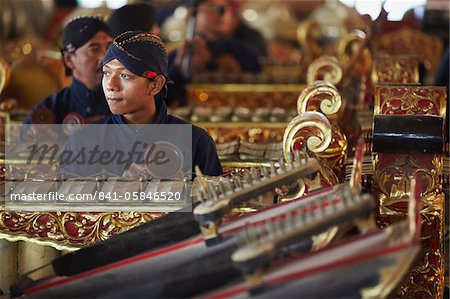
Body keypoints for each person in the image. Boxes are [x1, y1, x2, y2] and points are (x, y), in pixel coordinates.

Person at [60, 31, 222, 178]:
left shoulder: (196, 142)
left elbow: (215, 204)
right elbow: (64, 206)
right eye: (107, 73)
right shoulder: (84, 141)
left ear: (156, 84)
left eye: (124, 75)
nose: (111, 85)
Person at [166, 0, 261, 106]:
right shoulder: (178, 55)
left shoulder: (244, 52)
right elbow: (164, 99)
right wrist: (179, 69)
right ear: (192, 14)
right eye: (212, 7)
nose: (222, 14)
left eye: (225, 8)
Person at [23, 16, 113, 125]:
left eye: (110, 48)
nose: (105, 57)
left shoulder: (127, 109)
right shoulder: (46, 112)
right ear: (69, 59)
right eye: (94, 49)